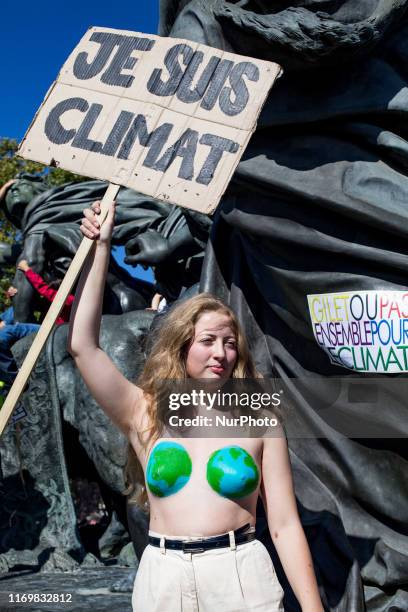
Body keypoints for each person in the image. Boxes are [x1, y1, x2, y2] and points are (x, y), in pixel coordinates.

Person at [68, 200, 324, 612]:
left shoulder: (260, 419)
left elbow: (283, 525)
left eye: (228, 342)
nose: (220, 352)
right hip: (162, 579)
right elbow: (83, 347)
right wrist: (100, 250)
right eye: (207, 341)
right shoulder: (145, 412)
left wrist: (313, 609)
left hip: (241, 578)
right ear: (182, 347)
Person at [16, 259, 74, 324]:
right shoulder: (65, 298)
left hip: (52, 329)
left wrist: (27, 270)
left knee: (12, 329)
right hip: (45, 324)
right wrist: (15, 292)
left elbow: (44, 289)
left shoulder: (69, 299)